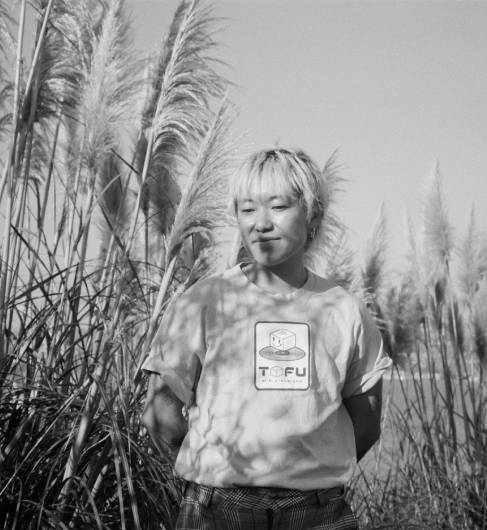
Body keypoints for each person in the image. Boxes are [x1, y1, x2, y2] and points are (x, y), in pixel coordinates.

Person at [141, 147, 392, 530]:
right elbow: (160, 413)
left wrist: (311, 471)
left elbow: (368, 420)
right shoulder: (203, 302)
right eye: (247, 209)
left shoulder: (345, 311)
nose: (261, 223)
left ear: (313, 215)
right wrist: (210, 472)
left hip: (318, 513)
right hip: (217, 510)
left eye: (278, 207)